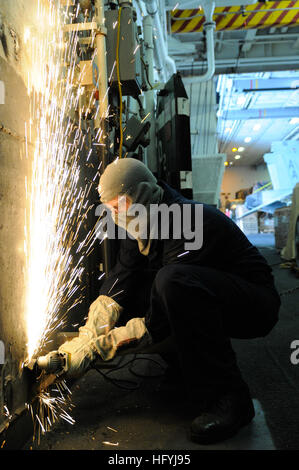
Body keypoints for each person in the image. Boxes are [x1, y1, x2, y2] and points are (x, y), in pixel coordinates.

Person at [59, 157, 281, 445]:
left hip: (253, 304)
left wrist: (102, 348)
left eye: (118, 206)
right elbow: (120, 281)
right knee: (143, 290)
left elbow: (161, 318)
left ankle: (230, 397)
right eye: (109, 209)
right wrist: (89, 334)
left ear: (138, 194)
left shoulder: (189, 221)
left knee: (171, 284)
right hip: (209, 294)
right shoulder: (140, 218)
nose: (114, 216)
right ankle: (181, 366)